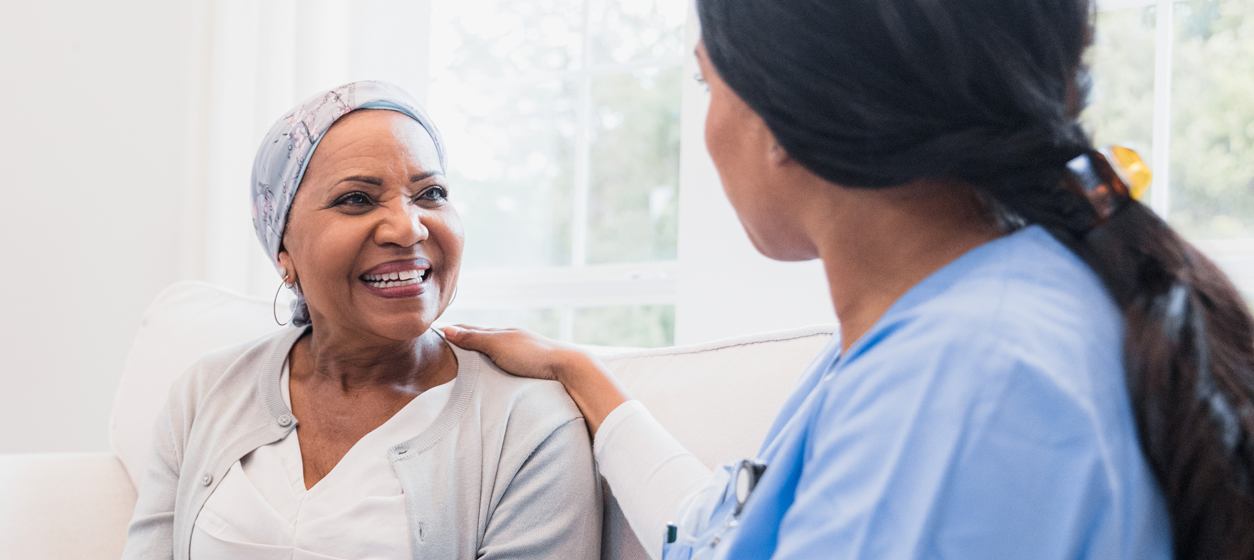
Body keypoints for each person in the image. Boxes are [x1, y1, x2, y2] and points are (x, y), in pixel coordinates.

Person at [442, 0, 1254, 558]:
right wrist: (581, 375)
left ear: (783, 115)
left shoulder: (965, 381)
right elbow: (724, 531)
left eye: (705, 82)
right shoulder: (955, 326)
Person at [119, 81, 603, 560]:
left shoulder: (530, 427)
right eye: (357, 199)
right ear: (283, 249)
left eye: (430, 193)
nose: (408, 227)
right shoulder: (204, 392)